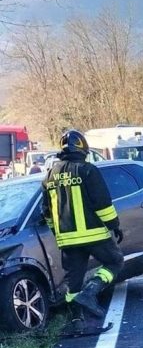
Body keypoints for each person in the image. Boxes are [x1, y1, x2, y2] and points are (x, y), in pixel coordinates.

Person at [41, 130, 124, 333]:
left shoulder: (50, 175)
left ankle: (77, 322)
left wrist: (58, 234)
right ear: (83, 148)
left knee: (73, 284)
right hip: (94, 234)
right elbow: (102, 203)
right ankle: (92, 290)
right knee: (115, 261)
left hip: (67, 240)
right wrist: (114, 225)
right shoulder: (87, 170)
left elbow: (47, 213)